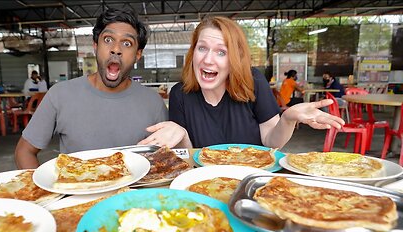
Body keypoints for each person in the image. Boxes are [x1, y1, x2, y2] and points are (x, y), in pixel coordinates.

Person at [138, 16, 344, 149]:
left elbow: (271, 142)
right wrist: (181, 133)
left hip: (251, 178)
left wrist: (288, 118)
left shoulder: (253, 81)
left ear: (234, 58)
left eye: (221, 52)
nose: (207, 59)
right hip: (204, 183)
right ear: (193, 53)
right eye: (202, 48)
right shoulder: (179, 94)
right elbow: (190, 157)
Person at [14, 8, 168, 169]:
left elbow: (166, 160)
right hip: (74, 192)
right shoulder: (60, 95)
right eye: (108, 39)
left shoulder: (153, 103)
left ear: (138, 54)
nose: (116, 49)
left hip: (134, 194)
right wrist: (43, 191)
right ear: (95, 46)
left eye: (127, 43)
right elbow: (24, 151)